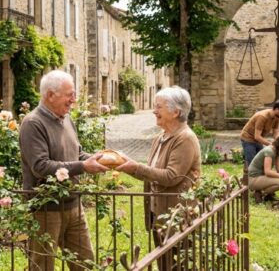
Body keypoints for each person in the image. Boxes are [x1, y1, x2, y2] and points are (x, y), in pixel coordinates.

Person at [19, 70, 109, 270]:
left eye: (74, 94)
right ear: (50, 95)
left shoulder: (66, 118)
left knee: (84, 263)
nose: (74, 100)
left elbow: (77, 154)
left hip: (73, 205)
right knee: (43, 265)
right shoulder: (33, 123)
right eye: (69, 95)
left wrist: (101, 159)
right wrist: (84, 166)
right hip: (45, 209)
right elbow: (40, 167)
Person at [116, 86, 201, 270]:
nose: (154, 111)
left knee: (178, 265)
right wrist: (126, 165)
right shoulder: (161, 137)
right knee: (164, 263)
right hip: (159, 213)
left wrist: (136, 166)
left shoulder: (185, 138)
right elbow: (152, 174)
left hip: (176, 215)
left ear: (176, 112)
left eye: (159, 107)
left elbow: (171, 176)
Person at [240, 99, 279, 165]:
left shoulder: (277, 117)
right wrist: (271, 144)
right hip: (248, 138)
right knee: (252, 162)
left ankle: (254, 174)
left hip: (258, 140)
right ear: (277, 109)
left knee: (261, 160)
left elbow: (276, 133)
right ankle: (249, 174)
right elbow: (257, 136)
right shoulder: (262, 117)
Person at [248, 135, 279, 203]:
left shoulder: (277, 151)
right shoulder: (269, 151)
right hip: (253, 178)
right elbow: (268, 172)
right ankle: (259, 193)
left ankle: (267, 194)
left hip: (260, 177)